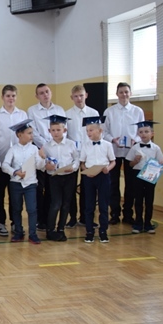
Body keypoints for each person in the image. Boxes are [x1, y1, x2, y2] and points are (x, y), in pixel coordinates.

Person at [0, 85, 27, 238]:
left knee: (15, 195)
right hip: (0, 161)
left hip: (16, 164)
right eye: (8, 96)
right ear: (2, 97)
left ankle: (15, 222)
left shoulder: (22, 114)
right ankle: (0, 222)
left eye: (13, 96)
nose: (11, 98)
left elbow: (25, 137)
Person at [103, 82, 144, 225]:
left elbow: (141, 131)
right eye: (121, 92)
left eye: (126, 92)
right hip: (114, 152)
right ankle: (115, 213)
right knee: (113, 184)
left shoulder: (137, 111)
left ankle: (128, 214)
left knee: (131, 184)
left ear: (130, 93)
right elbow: (104, 132)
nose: (124, 94)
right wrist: (112, 139)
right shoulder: (109, 111)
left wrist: (135, 140)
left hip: (131, 153)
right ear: (117, 94)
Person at [27, 83, 66, 232]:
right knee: (39, 187)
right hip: (40, 151)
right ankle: (40, 219)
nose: (45, 95)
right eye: (41, 93)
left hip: (57, 151)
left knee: (52, 188)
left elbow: (64, 130)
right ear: (37, 96)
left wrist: (56, 145)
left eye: (47, 92)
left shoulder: (59, 110)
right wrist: (47, 146)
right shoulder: (32, 111)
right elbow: (34, 132)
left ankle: (50, 218)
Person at [1, 119, 46, 244]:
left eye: (32, 133)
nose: (32, 136)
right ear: (19, 135)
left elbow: (40, 166)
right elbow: (5, 165)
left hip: (30, 184)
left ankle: (33, 233)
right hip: (16, 183)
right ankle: (18, 232)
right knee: (16, 208)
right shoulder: (13, 150)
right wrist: (15, 172)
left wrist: (42, 158)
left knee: (32, 209)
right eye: (29, 133)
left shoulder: (34, 149)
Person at [39, 115, 79, 242]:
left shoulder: (71, 144)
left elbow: (77, 159)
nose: (56, 133)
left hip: (69, 177)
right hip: (54, 178)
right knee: (55, 204)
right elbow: (42, 162)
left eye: (58, 130)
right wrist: (46, 165)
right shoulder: (46, 146)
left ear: (64, 130)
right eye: (53, 130)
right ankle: (50, 230)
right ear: (49, 131)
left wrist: (73, 167)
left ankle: (61, 229)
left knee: (66, 204)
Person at [65, 85, 100, 228]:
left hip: (89, 156)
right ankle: (72, 217)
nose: (79, 99)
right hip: (73, 155)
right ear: (71, 98)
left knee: (88, 189)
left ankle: (86, 218)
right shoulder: (67, 114)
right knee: (71, 187)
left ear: (86, 95)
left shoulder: (93, 113)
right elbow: (66, 136)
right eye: (76, 96)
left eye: (81, 95)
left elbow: (97, 134)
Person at [126, 121, 163, 234]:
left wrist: (161, 163)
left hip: (150, 174)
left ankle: (148, 223)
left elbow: (161, 161)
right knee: (138, 199)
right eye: (141, 132)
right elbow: (130, 164)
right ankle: (138, 223)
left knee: (149, 200)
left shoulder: (156, 148)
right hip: (137, 174)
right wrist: (135, 161)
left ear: (152, 134)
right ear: (138, 134)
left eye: (146, 132)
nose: (143, 134)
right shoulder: (135, 148)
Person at [80, 116, 116, 243]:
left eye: (91, 130)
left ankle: (103, 231)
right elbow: (82, 163)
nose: (88, 133)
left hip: (103, 176)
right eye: (87, 131)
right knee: (89, 205)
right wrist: (86, 171)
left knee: (103, 205)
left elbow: (113, 161)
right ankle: (89, 231)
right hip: (90, 176)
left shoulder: (107, 145)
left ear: (100, 131)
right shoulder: (85, 145)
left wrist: (108, 169)